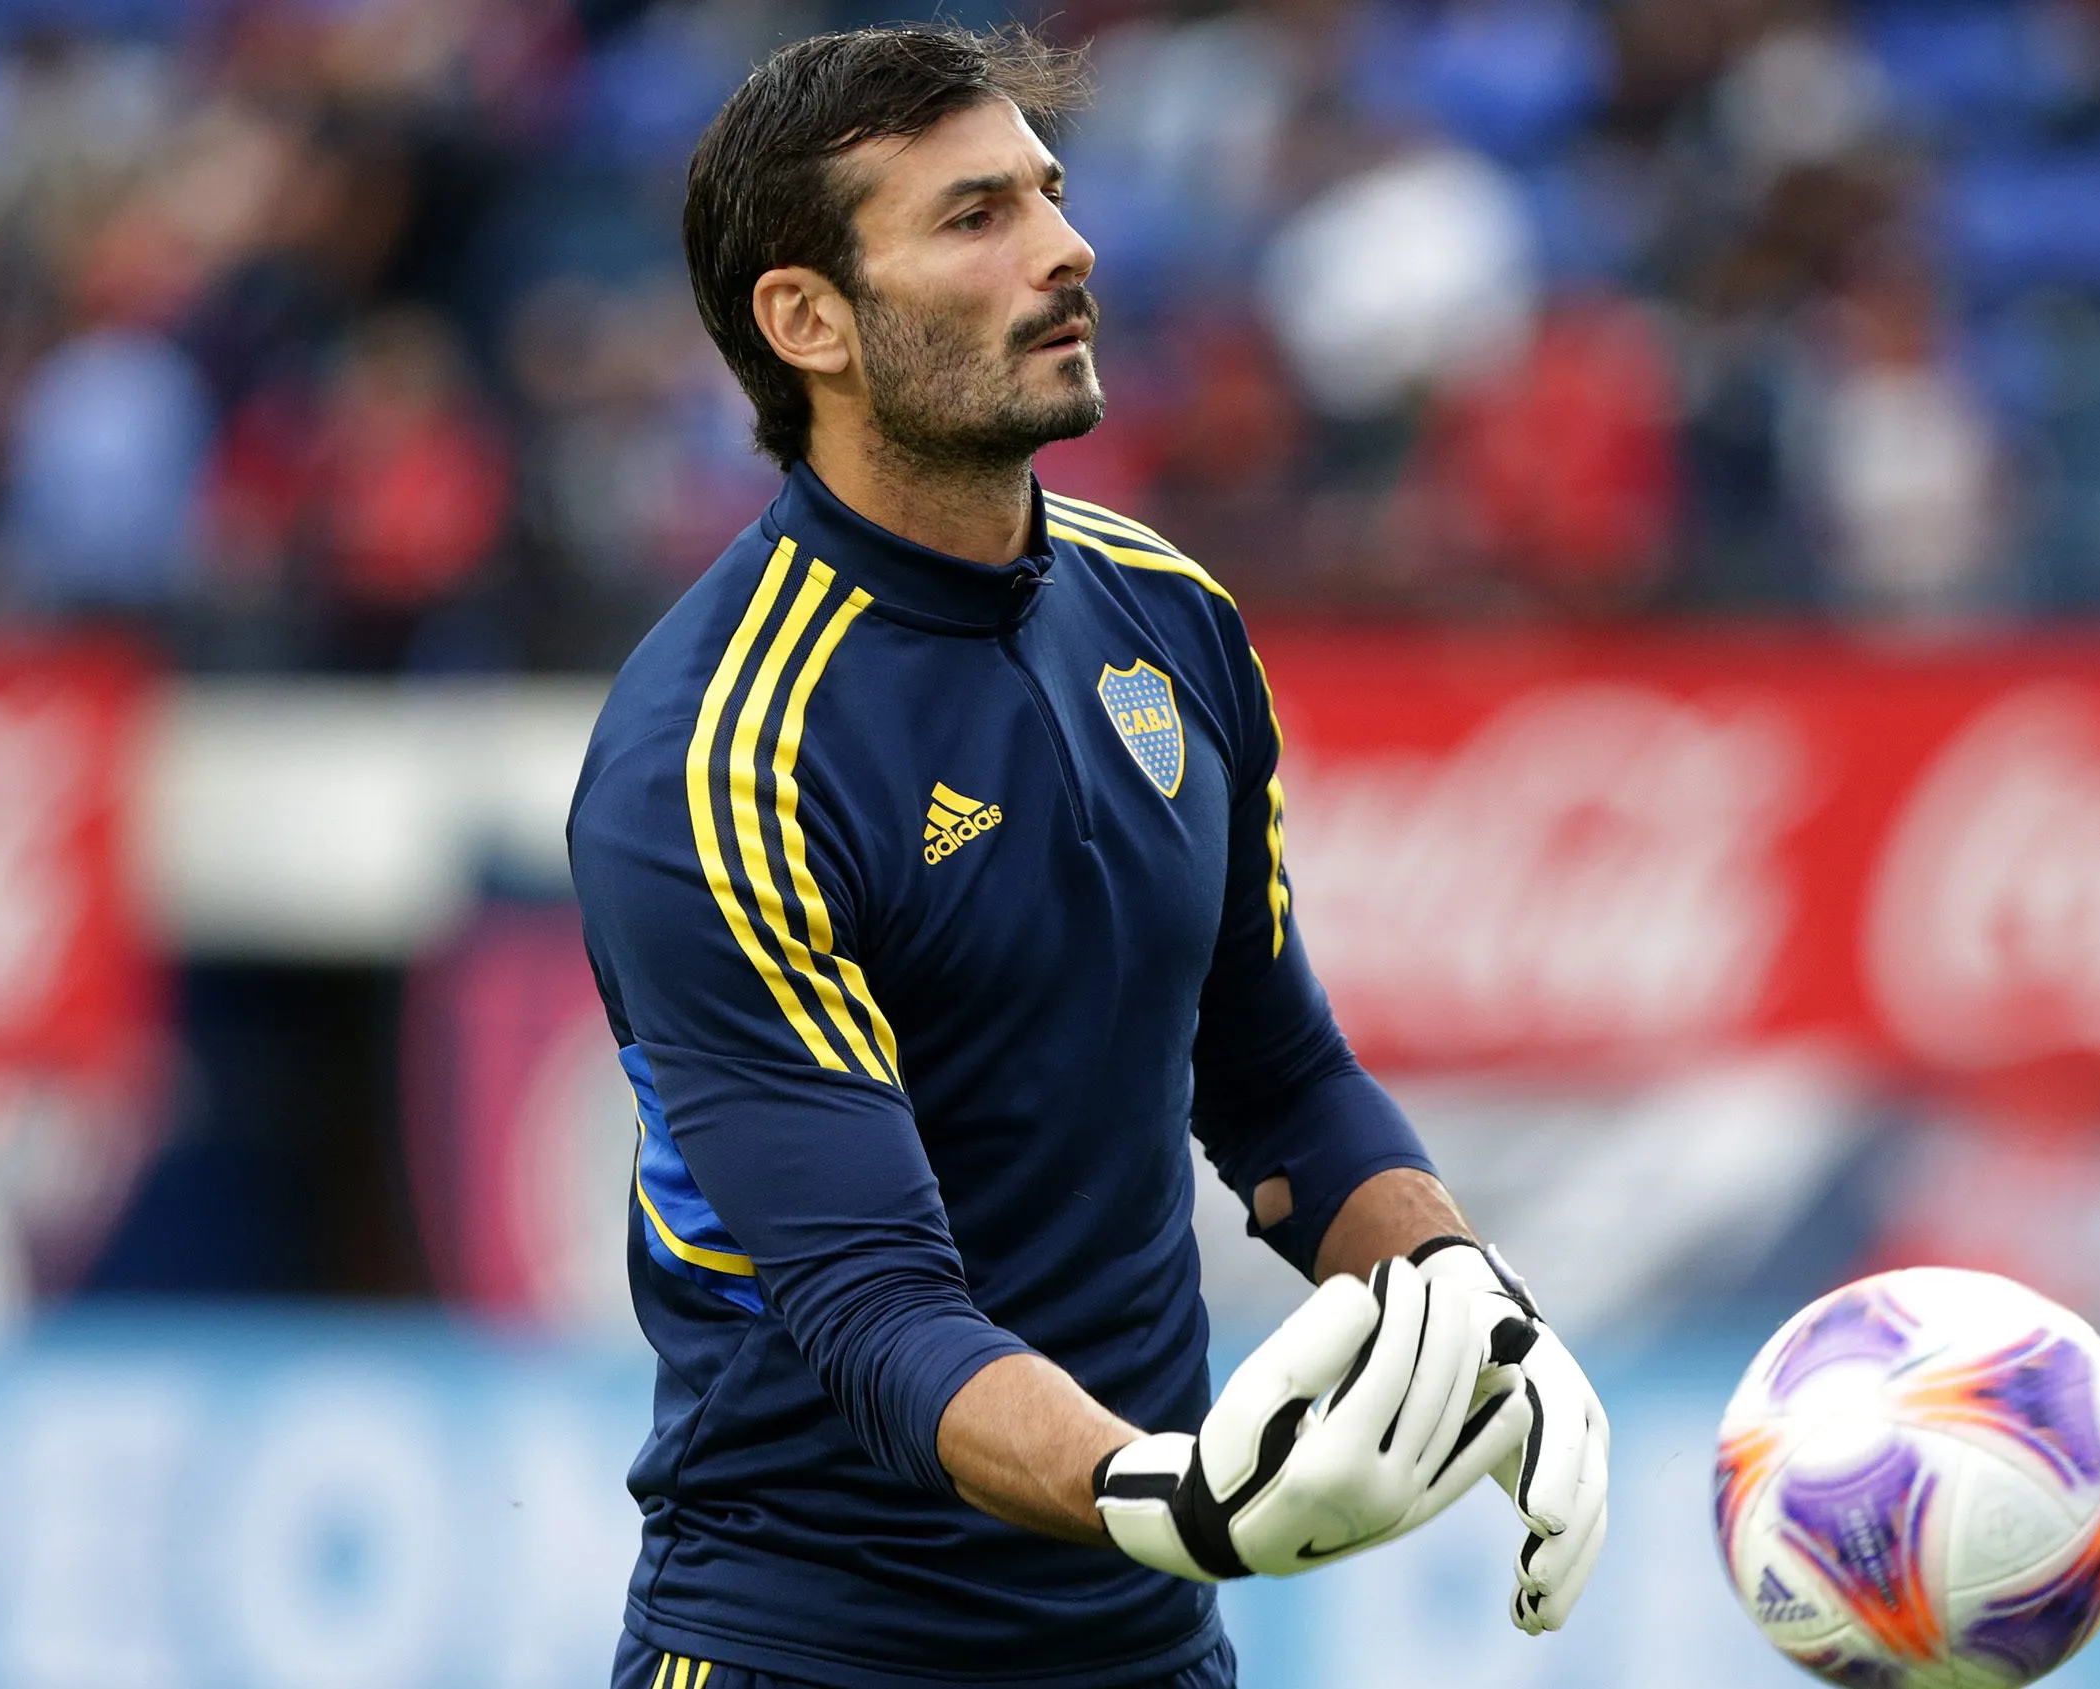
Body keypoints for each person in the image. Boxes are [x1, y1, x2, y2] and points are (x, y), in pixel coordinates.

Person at [567, 26, 1609, 1689]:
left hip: (1144, 1648)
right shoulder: (715, 757)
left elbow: (1277, 1079)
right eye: (975, 219)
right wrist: (1167, 1491)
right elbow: (875, 1314)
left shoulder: (1174, 617)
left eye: (1050, 197)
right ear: (808, 322)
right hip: (810, 1654)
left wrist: (1469, 1301)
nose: (1068, 249)